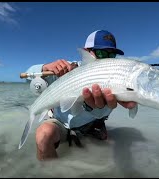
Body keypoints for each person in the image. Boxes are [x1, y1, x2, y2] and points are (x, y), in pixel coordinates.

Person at [25, 30, 137, 161]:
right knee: (43, 136)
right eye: (101, 53)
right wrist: (44, 68)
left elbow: (102, 112)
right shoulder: (64, 69)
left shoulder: (113, 76)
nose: (106, 59)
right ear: (86, 51)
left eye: (111, 55)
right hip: (61, 123)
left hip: (91, 124)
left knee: (104, 152)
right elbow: (27, 78)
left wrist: (91, 107)